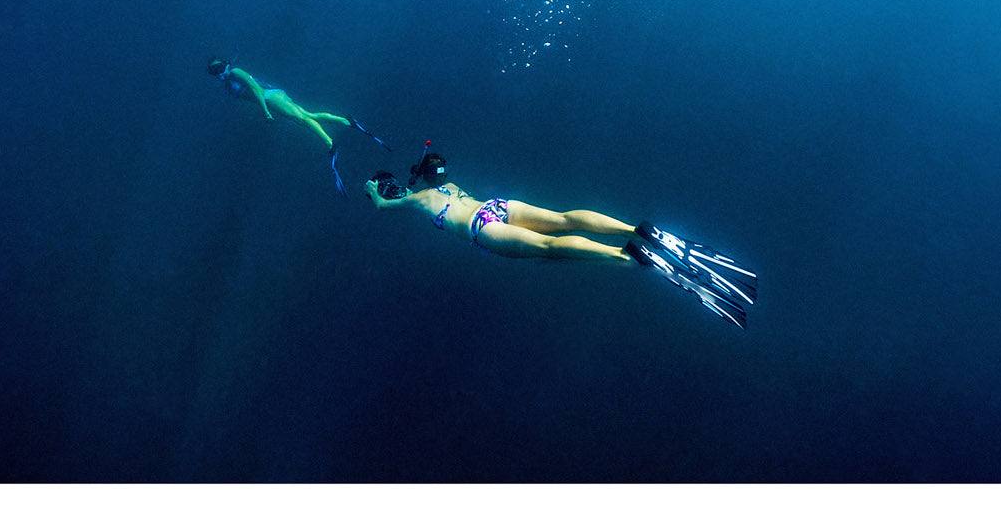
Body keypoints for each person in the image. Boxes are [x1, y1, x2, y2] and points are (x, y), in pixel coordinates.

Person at [363, 152, 756, 328]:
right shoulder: (448, 185)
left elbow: (383, 205)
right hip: (497, 205)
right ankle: (635, 230)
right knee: (564, 218)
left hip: (482, 229)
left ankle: (626, 256)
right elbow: (436, 173)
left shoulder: (418, 198)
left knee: (549, 249)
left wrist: (374, 189)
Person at [207, 58, 388, 193]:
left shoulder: (235, 72)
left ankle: (329, 143)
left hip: (270, 97)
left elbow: (254, 88)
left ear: (226, 64)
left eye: (219, 67)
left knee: (302, 119)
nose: (218, 72)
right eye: (213, 71)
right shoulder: (229, 82)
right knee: (307, 115)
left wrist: (265, 111)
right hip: (272, 98)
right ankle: (347, 122)